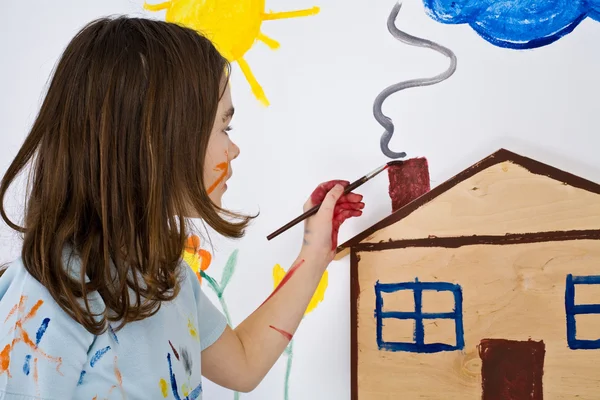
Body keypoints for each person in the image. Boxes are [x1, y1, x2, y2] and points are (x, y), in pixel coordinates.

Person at [0, 16, 364, 399]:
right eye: (225, 128)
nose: (233, 149)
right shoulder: (55, 291)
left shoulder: (164, 275)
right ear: (153, 142)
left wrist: (315, 250)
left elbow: (243, 364)